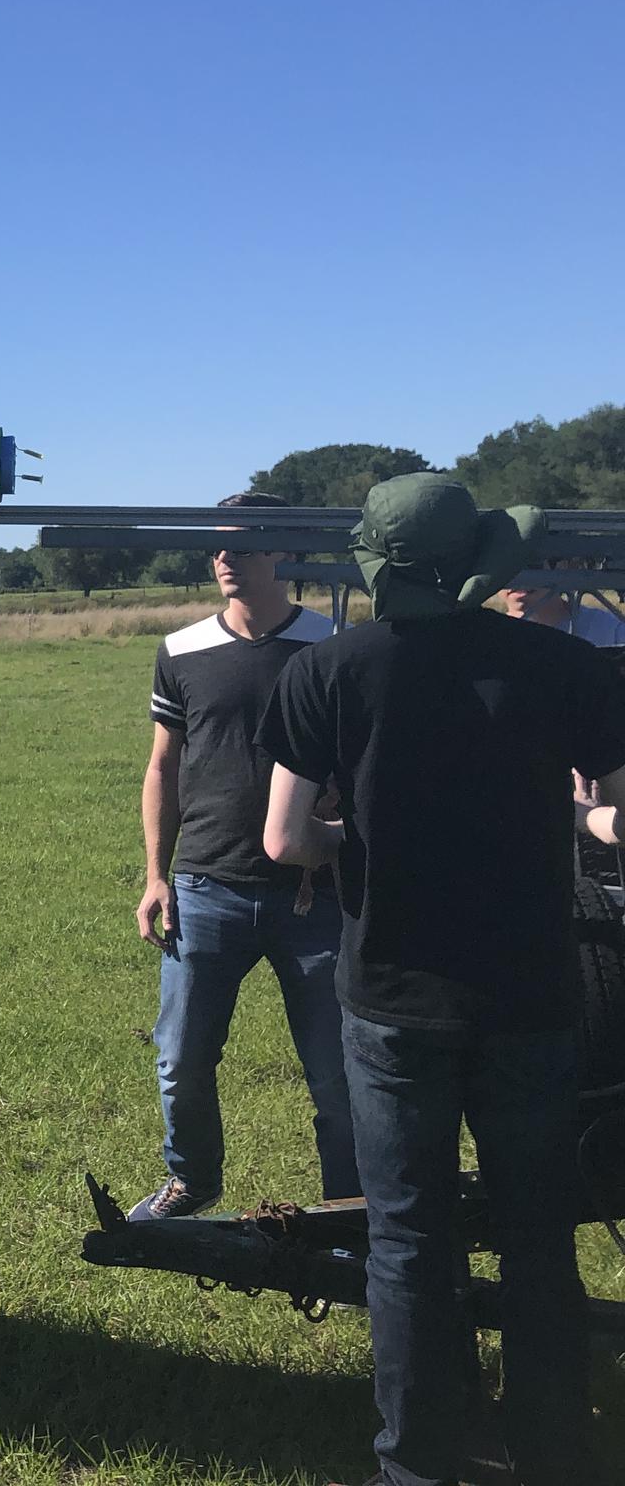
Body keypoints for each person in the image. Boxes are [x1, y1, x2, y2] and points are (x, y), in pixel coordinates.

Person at [260, 473, 625, 1486]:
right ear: (481, 563)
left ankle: (418, 1461)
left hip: (391, 999)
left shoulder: (326, 672)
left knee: (410, 1242)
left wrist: (360, 831)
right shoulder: (566, 666)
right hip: (533, 997)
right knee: (538, 1236)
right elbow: (619, 820)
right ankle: (557, 1453)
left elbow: (286, 838)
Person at [131, 491, 356, 1221]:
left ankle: (348, 1209)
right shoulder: (182, 651)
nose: (225, 558)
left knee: (338, 1074)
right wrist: (155, 877)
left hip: (316, 892)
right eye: (218, 546)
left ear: (282, 553)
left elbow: (370, 761)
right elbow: (163, 766)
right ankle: (192, 1180)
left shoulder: (333, 644)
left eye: (245, 544)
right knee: (181, 1062)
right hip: (205, 886)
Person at [496, 569, 625, 646]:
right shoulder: (490, 638)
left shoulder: (611, 630)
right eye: (506, 567)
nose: (519, 576)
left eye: (533, 563)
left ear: (565, 565)